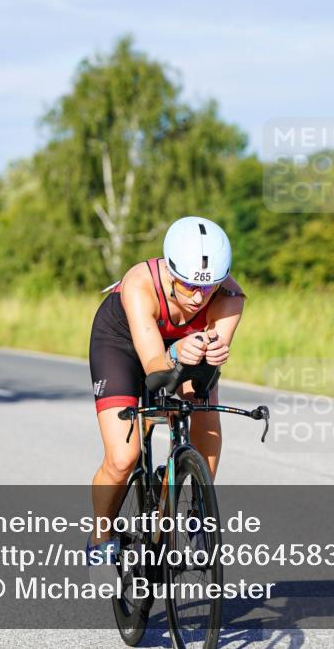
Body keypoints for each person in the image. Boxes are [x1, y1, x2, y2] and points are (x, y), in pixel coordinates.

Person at [86, 216, 246, 557]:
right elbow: (155, 370)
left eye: (209, 287)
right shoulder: (140, 283)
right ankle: (100, 538)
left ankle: (198, 512)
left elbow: (204, 375)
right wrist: (175, 352)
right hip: (124, 344)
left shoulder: (229, 296)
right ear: (171, 273)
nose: (199, 298)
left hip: (181, 347)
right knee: (122, 456)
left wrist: (212, 353)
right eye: (189, 285)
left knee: (203, 406)